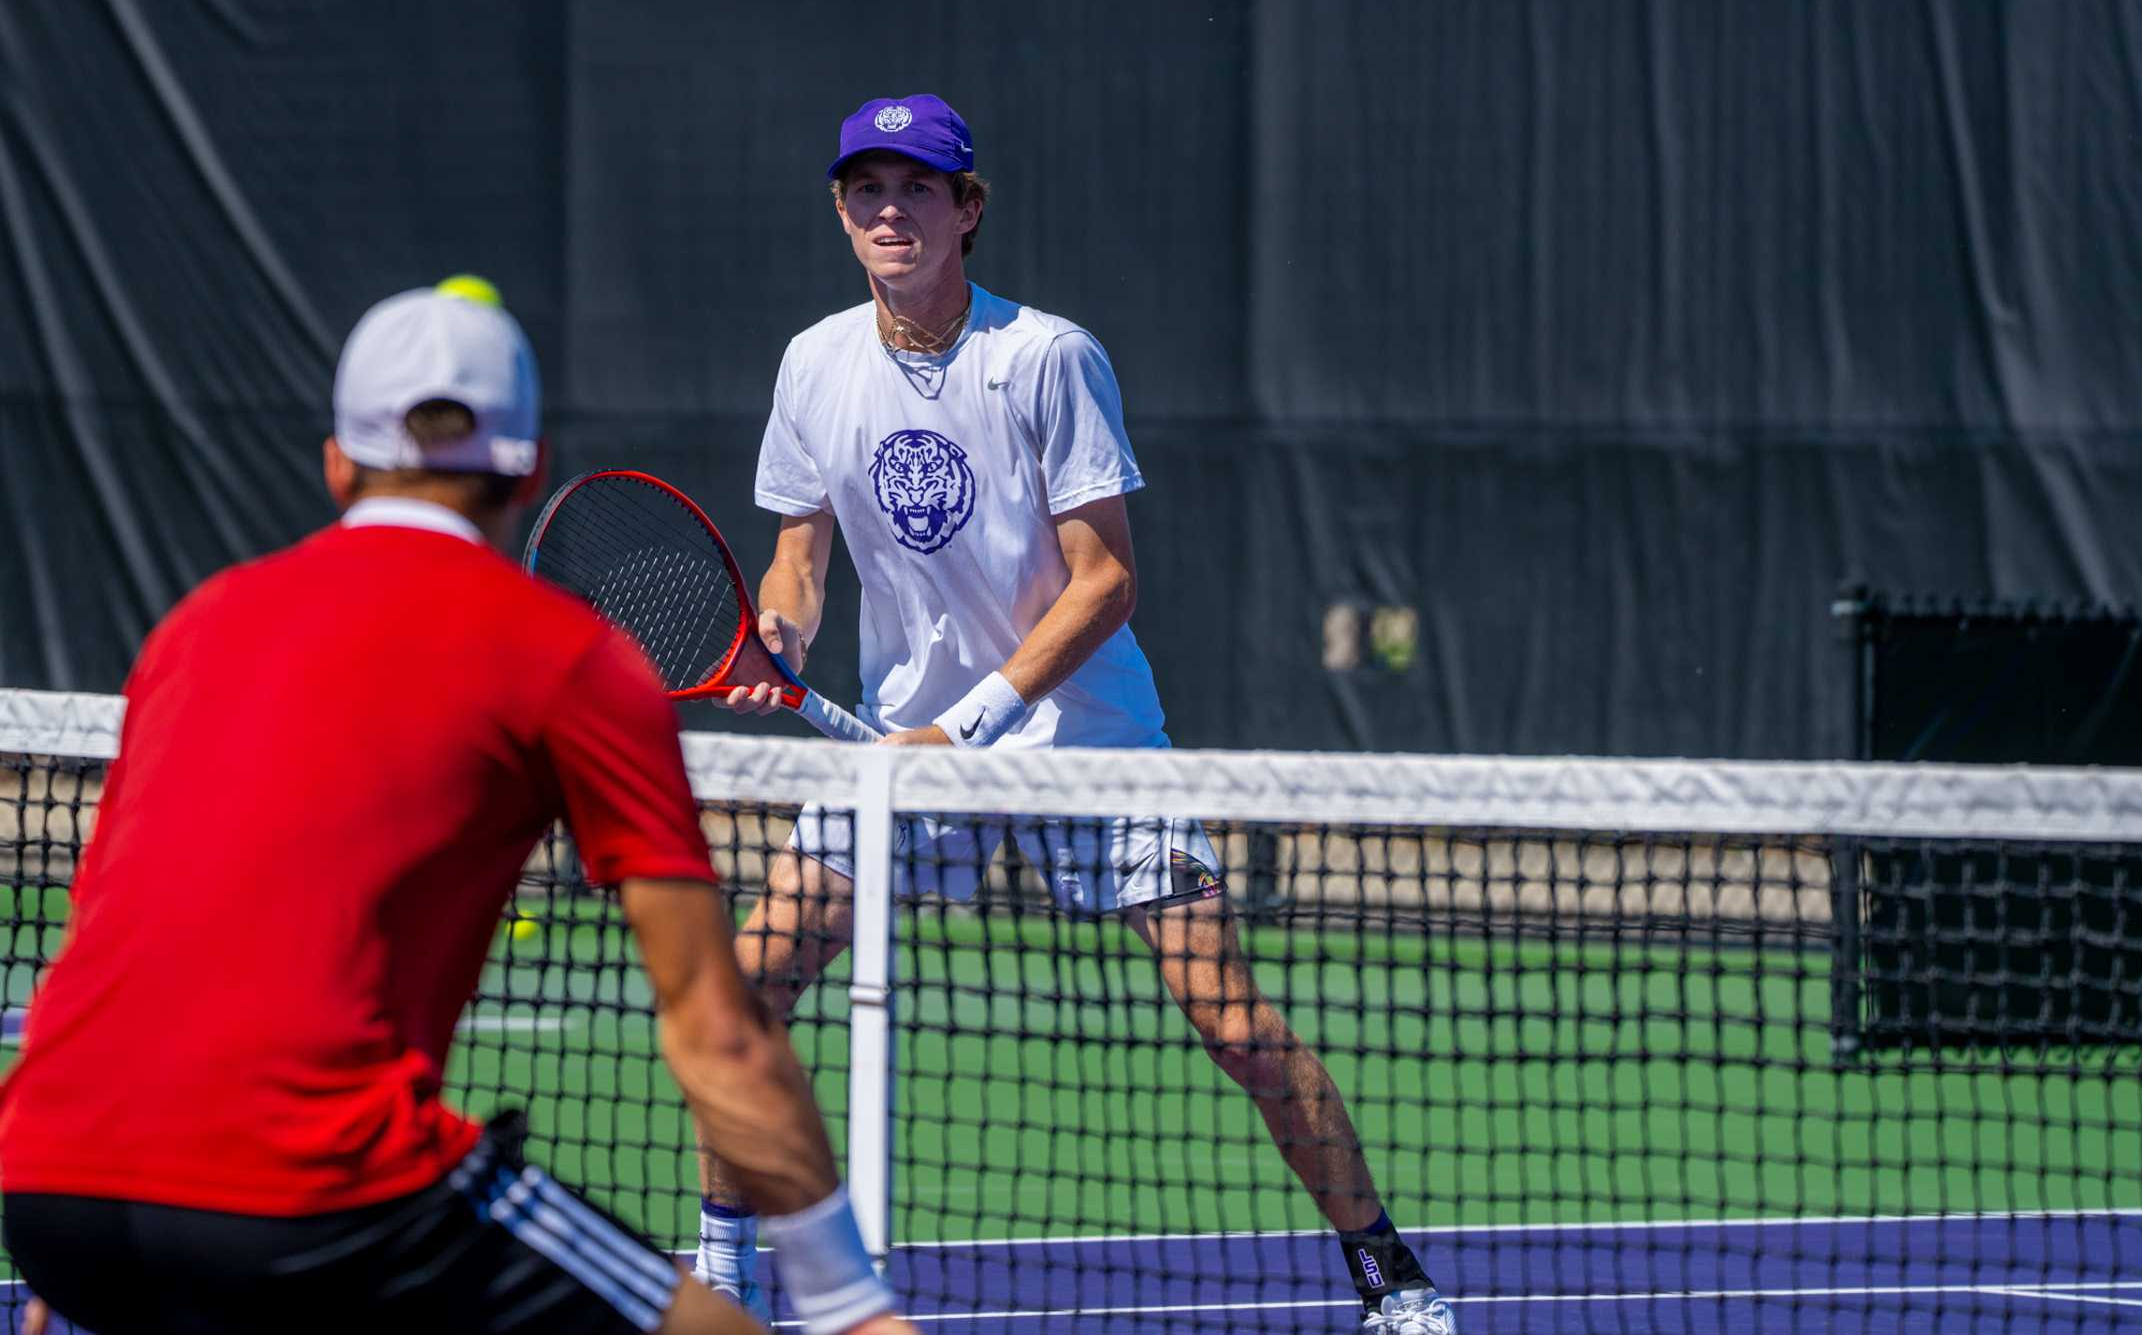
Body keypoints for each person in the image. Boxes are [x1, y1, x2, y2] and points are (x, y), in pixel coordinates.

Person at [0, 280, 914, 1335]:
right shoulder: (570, 660)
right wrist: (852, 1306)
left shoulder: (195, 627)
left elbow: (105, 936)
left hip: (49, 1177)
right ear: (529, 467)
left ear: (336, 462)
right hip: (321, 1185)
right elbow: (720, 1030)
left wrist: (81, 1262)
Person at [694, 97, 1460, 1334]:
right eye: (864, 190)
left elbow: (1104, 579)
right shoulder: (812, 363)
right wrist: (779, 631)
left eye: (917, 188)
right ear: (840, 211)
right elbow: (797, 557)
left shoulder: (1048, 356)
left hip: (1083, 744)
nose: (889, 210)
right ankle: (721, 1274)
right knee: (747, 986)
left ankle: (1389, 1272)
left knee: (1231, 1019)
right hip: (906, 748)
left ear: (969, 209)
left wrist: (974, 724)